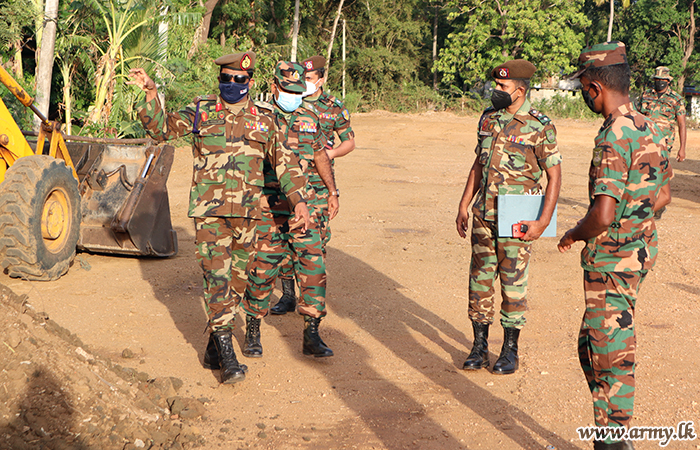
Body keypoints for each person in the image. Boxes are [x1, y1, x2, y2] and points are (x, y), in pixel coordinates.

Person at [127, 52, 311, 385]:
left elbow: (284, 164)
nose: (232, 85)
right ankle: (227, 357)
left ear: (250, 82)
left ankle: (213, 346)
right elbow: (161, 130)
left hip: (249, 214)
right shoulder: (201, 112)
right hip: (210, 215)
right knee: (217, 280)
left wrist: (298, 201)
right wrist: (151, 94)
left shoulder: (265, 119)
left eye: (239, 80)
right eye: (226, 79)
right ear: (220, 80)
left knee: (238, 281)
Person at [558, 41, 672, 450]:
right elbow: (662, 196)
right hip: (638, 254)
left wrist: (574, 233)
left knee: (611, 355)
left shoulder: (612, 137)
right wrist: (637, 221)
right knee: (591, 343)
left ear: (594, 88)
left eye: (583, 89)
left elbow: (602, 215)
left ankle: (612, 438)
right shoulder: (649, 126)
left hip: (611, 261)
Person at [455, 59, 562, 375]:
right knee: (480, 281)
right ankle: (479, 346)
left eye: (502, 86)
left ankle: (510, 350)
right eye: (496, 85)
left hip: (518, 215)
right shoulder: (488, 119)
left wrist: (542, 221)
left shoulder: (540, 126)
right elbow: (479, 164)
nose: (496, 90)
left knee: (513, 284)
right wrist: (464, 204)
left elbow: (554, 177)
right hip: (483, 213)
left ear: (520, 89)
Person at [240, 61, 339, 360]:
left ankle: (312, 333)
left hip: (304, 209)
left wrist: (332, 191)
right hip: (268, 209)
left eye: (298, 91)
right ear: (274, 88)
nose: (294, 96)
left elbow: (320, 154)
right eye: (287, 90)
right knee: (261, 271)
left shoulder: (309, 116)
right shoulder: (257, 119)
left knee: (314, 269)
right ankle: (253, 330)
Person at [271, 55, 355, 315]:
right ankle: (288, 295)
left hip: (316, 184)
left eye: (309, 79)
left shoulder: (332, 106)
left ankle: (312, 299)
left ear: (321, 79)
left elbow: (349, 141)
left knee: (314, 243)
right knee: (283, 241)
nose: (304, 85)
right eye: (302, 80)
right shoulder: (284, 107)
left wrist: (329, 156)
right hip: (282, 186)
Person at [637, 66, 686, 220]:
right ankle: (644, 204)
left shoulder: (676, 99)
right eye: (657, 80)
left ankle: (659, 205)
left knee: (658, 174)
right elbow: (637, 117)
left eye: (662, 80)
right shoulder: (646, 95)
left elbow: (682, 124)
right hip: (644, 142)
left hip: (664, 144)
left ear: (668, 81)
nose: (659, 83)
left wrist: (682, 148)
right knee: (643, 173)